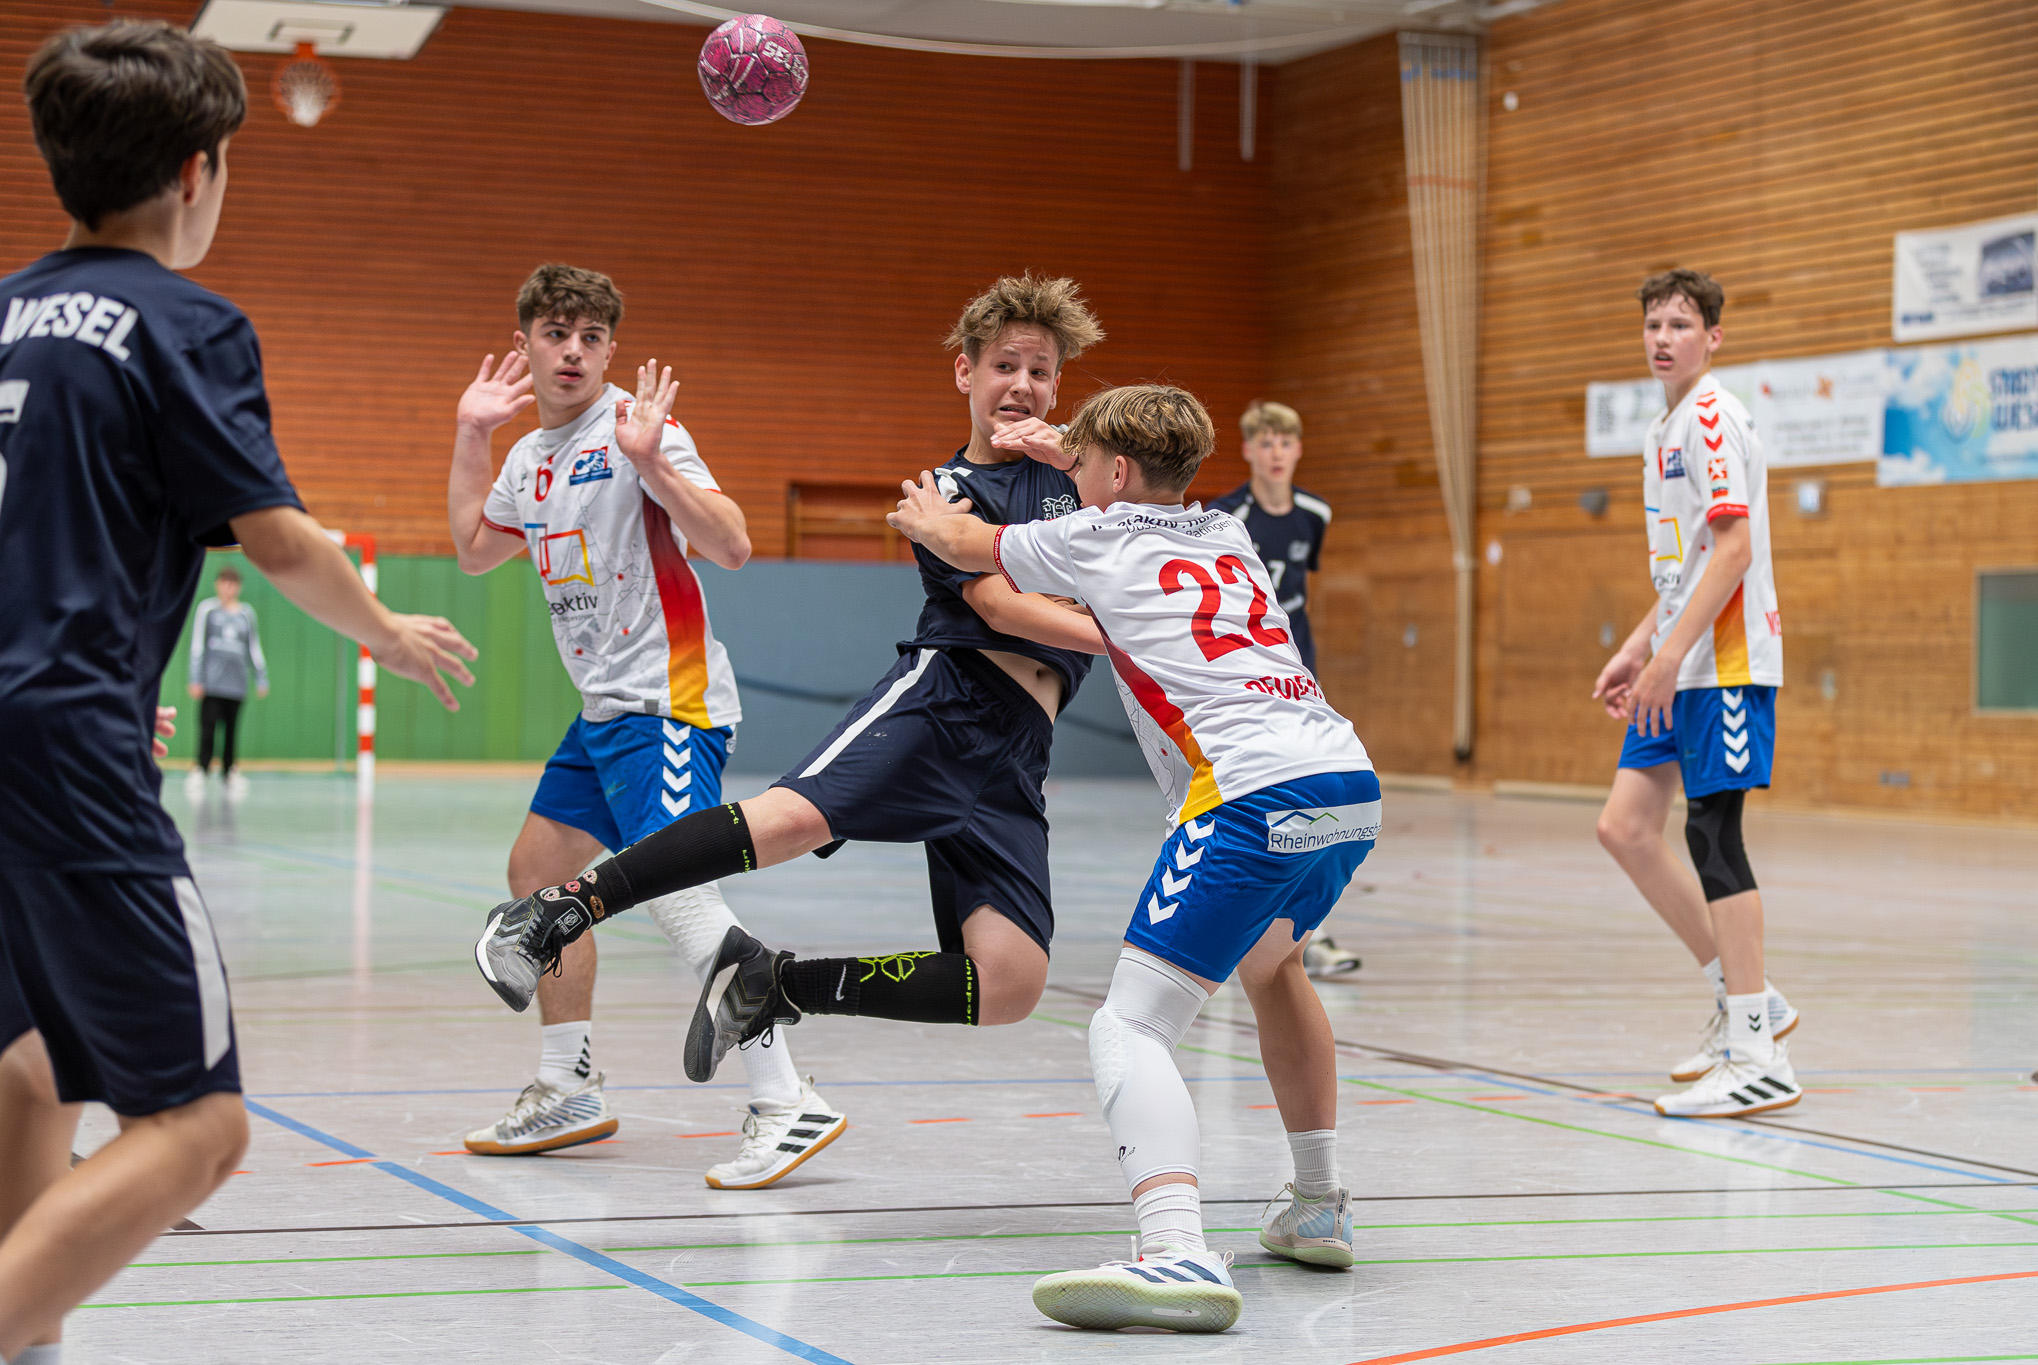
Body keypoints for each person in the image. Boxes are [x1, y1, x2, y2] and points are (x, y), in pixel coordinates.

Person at [0, 23, 477, 1363]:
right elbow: (277, 536)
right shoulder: (184, 321)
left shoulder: (5, 315)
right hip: (65, 743)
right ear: (201, 173)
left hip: (26, 721)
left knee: (31, 1071)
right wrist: (382, 626)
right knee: (200, 1124)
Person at [474, 274, 1108, 1074]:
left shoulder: (1082, 479)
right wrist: (1119, 628)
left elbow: (1153, 529)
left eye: (1041, 371)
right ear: (966, 373)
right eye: (1004, 366)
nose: (1022, 385)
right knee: (784, 822)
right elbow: (1005, 604)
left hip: (1019, 752)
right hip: (949, 703)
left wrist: (1074, 464)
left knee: (1011, 982)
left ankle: (779, 984)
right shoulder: (945, 492)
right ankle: (561, 909)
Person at [895, 384, 1378, 1331]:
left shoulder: (1094, 539)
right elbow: (1118, 484)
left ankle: (1175, 1250)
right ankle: (1316, 1201)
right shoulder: (1230, 533)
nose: (1068, 480)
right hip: (1344, 781)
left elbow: (978, 565)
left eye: (1080, 467)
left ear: (1114, 475)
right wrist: (1066, 442)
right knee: (1274, 966)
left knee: (1130, 1025)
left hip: (1245, 788)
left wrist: (927, 512)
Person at [446, 263, 843, 1188]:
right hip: (602, 713)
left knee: (679, 894)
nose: (573, 350)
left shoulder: (636, 430)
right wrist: (472, 431)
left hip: (668, 701)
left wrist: (655, 461)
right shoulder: (525, 459)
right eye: (555, 332)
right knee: (538, 874)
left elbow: (735, 544)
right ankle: (568, 1083)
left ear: (610, 348)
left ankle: (788, 1098)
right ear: (527, 345)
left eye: (590, 336)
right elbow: (471, 551)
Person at [1591, 269, 1800, 1118]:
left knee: (1714, 831)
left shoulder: (1712, 416)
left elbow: (1735, 550)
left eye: (1681, 323)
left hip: (1726, 663)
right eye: (1653, 322)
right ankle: (1750, 998)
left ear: (1713, 337)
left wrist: (1669, 656)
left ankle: (1758, 1055)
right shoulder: (1664, 427)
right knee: (1626, 827)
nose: (1663, 336)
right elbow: (1684, 567)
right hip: (1680, 658)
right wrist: (1638, 646)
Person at [1211, 401, 1360, 979]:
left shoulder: (1315, 514)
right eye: (1264, 443)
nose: (1275, 453)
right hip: (1243, 674)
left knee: (1314, 799)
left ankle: (1305, 931)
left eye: (1285, 443)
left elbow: (1299, 586)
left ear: (1298, 450)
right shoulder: (1226, 516)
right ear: (1248, 449)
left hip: (1300, 674)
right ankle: (1232, 923)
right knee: (1245, 798)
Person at [184, 565, 267, 800]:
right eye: (224, 583)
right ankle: (200, 770)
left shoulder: (246, 614)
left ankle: (229, 771)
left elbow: (253, 647)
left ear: (238, 587)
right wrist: (196, 678)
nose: (228, 588)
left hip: (236, 685)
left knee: (232, 731)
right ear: (218, 585)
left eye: (233, 584)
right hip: (212, 684)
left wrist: (260, 676)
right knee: (207, 729)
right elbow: (197, 645)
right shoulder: (207, 610)